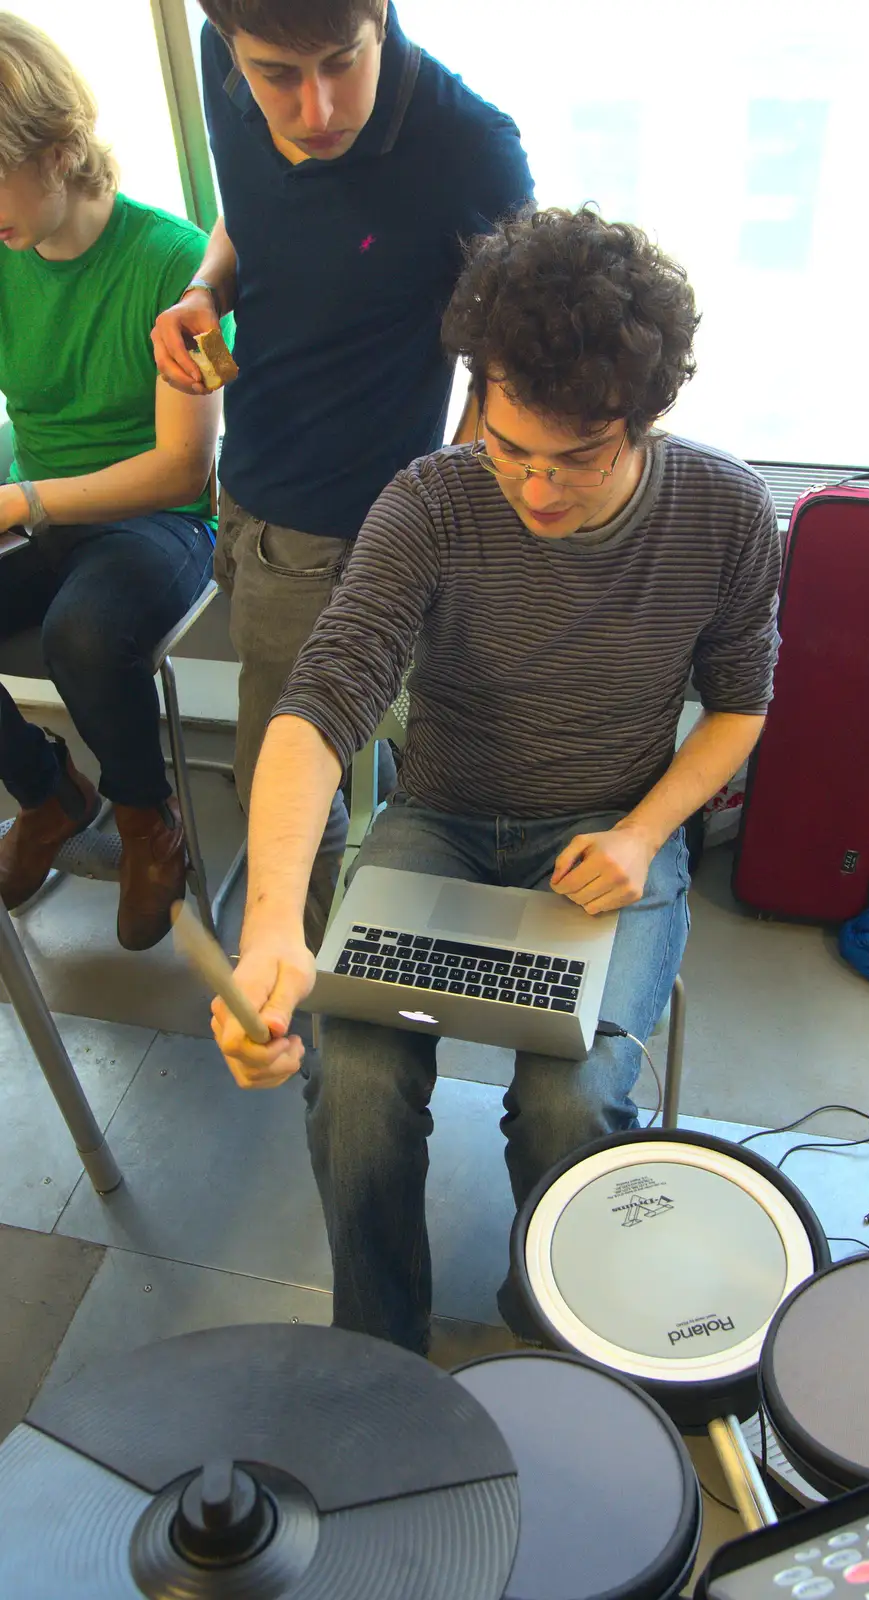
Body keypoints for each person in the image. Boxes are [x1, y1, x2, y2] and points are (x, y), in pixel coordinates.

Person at [212, 207, 782, 1356]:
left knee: (567, 1102)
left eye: (579, 457)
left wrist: (643, 834)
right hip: (444, 819)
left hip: (608, 829)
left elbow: (739, 707)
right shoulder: (430, 500)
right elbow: (319, 705)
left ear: (649, 415)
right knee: (358, 1077)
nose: (535, 489)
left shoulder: (724, 513)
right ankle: (380, 1355)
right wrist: (274, 917)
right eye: (511, 445)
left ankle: (571, 1332)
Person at [150, 0, 533, 949]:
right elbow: (247, 213)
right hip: (243, 492)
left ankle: (301, 1006)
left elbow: (508, 365)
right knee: (311, 760)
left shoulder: (471, 148)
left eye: (341, 62)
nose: (315, 108)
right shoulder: (220, 53)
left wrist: (433, 517)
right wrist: (206, 290)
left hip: (339, 531)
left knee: (281, 788)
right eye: (279, 74)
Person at [0, 14, 226, 949]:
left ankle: (145, 819)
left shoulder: (178, 262)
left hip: (159, 519)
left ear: (59, 154)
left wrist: (24, 501)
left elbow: (187, 467)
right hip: (40, 511)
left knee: (85, 634)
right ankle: (52, 792)